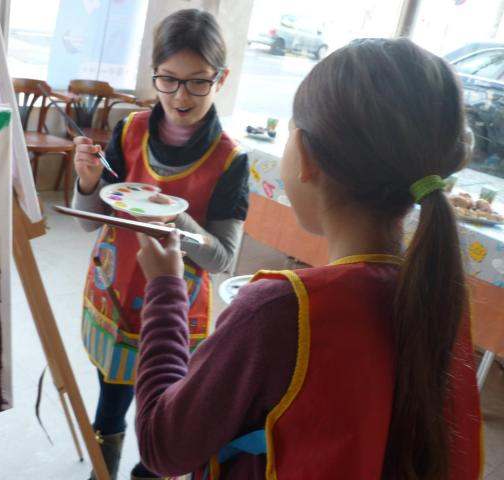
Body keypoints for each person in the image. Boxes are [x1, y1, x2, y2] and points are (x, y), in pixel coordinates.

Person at [134, 38, 483, 479]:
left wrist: (166, 290)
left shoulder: (278, 310)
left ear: (307, 156)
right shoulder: (438, 295)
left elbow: (163, 445)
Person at [72, 9, 249, 480]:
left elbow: (223, 259)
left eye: (198, 82)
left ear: (221, 78)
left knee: (166, 421)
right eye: (168, 80)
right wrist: (87, 182)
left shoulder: (230, 160)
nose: (180, 96)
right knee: (110, 407)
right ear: (154, 74)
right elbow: (89, 223)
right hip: (114, 295)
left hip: (176, 309)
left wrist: (173, 215)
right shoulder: (129, 130)